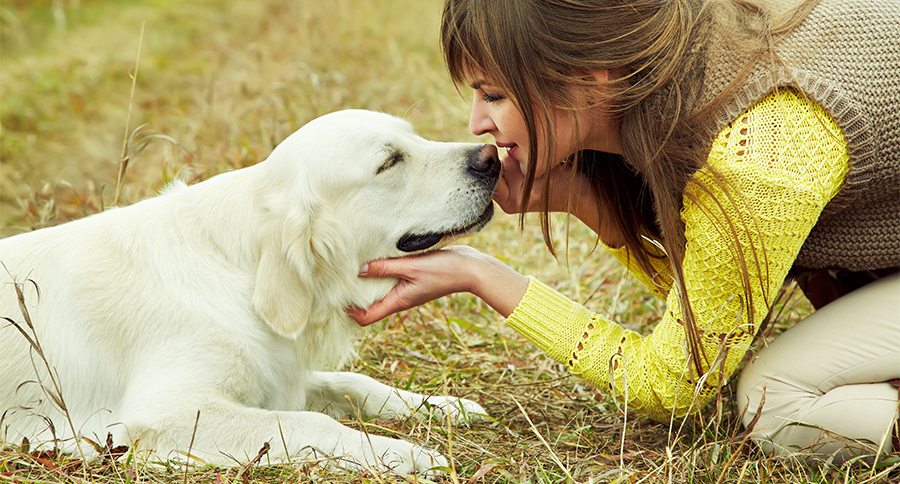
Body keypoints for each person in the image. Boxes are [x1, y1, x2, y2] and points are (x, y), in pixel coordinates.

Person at [347, 0, 900, 464]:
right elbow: (715, 310)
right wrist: (583, 201)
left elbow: (677, 380)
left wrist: (482, 275)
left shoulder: (759, 153)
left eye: (493, 95)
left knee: (773, 399)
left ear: (590, 78)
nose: (476, 124)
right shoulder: (677, 71)